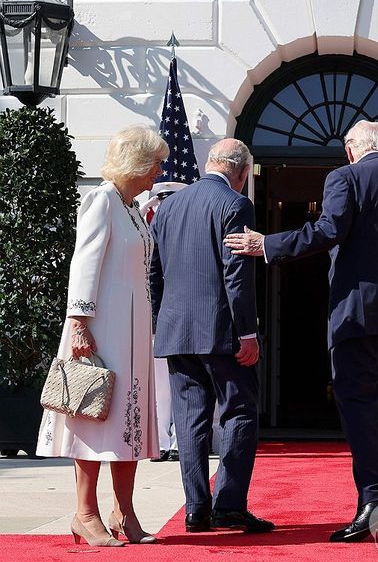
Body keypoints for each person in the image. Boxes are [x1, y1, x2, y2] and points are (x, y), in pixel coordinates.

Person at [225, 121, 378, 543]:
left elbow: (328, 231)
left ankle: (376, 501)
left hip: (360, 315)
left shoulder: (345, 176)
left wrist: (266, 245)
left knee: (359, 406)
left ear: (350, 149)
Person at [36, 125, 170, 547]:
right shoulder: (102, 200)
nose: (159, 170)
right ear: (137, 162)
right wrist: (78, 321)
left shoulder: (131, 206)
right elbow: (84, 263)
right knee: (94, 420)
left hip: (131, 329)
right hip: (99, 329)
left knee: (128, 424)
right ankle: (85, 513)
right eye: (155, 162)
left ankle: (124, 513)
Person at [150, 138, 274, 535]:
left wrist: (160, 322)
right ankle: (229, 506)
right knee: (239, 412)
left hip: (177, 332)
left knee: (190, 420)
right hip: (222, 333)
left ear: (209, 163)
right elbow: (236, 274)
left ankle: (196, 509)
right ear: (240, 173)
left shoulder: (168, 206)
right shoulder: (235, 204)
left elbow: (153, 270)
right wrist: (248, 333)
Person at [139, 181, 185, 463]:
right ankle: (161, 442)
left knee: (184, 383)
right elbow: (152, 278)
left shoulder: (190, 229)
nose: (162, 208)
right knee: (159, 386)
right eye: (159, 203)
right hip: (159, 318)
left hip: (184, 318)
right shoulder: (148, 229)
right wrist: (153, 318)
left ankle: (180, 441)